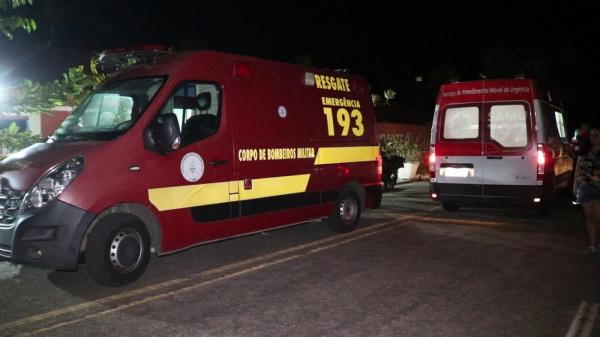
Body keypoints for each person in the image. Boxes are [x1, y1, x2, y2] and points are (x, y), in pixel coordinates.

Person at [574, 128, 600, 254]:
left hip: (598, 187)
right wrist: (575, 186)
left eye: (597, 135)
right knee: (589, 218)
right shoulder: (583, 151)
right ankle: (592, 245)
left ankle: (597, 243)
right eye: (592, 135)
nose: (594, 137)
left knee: (597, 218)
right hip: (585, 187)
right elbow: (577, 169)